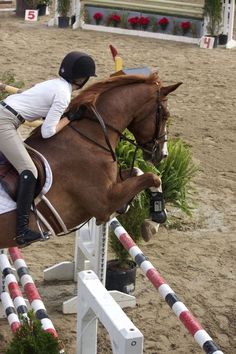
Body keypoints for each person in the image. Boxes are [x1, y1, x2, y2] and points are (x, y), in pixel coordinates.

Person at [0, 51, 97, 247]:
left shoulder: (53, 84)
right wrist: (69, 118)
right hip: (5, 123)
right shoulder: (63, 94)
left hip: (6, 116)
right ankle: (22, 231)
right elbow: (47, 132)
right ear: (83, 78)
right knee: (29, 171)